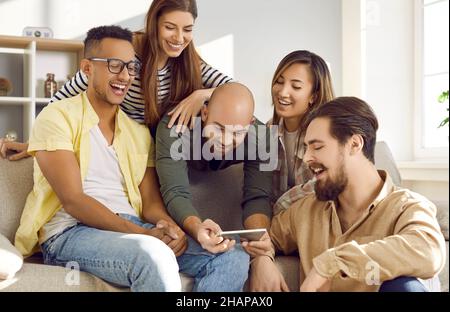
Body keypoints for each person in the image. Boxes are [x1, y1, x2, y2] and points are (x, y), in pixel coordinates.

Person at [14, 26, 247, 292]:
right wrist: (144, 235)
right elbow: (74, 201)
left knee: (231, 256)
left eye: (131, 67)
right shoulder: (56, 116)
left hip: (132, 228)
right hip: (70, 232)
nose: (125, 76)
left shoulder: (137, 132)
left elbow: (149, 202)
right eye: (114, 65)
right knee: (152, 254)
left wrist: (169, 227)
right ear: (88, 69)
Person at [250, 97, 446, 292]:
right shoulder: (305, 210)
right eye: (306, 148)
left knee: (405, 287)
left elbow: (428, 251)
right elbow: (265, 239)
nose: (308, 158)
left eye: (317, 147)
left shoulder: (407, 206)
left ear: (354, 144)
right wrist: (262, 259)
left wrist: (333, 262)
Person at [0, 0, 232, 160]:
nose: (179, 38)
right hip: (124, 143)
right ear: (154, 23)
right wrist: (36, 141)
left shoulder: (188, 60)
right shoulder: (126, 52)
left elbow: (234, 88)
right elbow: (65, 95)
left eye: (188, 30)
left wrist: (201, 94)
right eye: (170, 27)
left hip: (166, 146)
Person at [155, 82, 275, 277]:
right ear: (204, 114)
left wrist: (259, 242)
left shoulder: (262, 137)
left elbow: (257, 197)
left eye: (237, 133)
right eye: (218, 129)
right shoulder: (174, 127)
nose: (225, 141)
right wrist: (197, 228)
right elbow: (176, 192)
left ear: (250, 125)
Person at [268, 50, 335, 214]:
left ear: (314, 96)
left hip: (320, 221)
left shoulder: (329, 134)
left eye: (296, 86)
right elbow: (262, 189)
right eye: (279, 81)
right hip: (282, 228)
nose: (282, 92)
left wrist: (280, 206)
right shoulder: (268, 132)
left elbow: (323, 186)